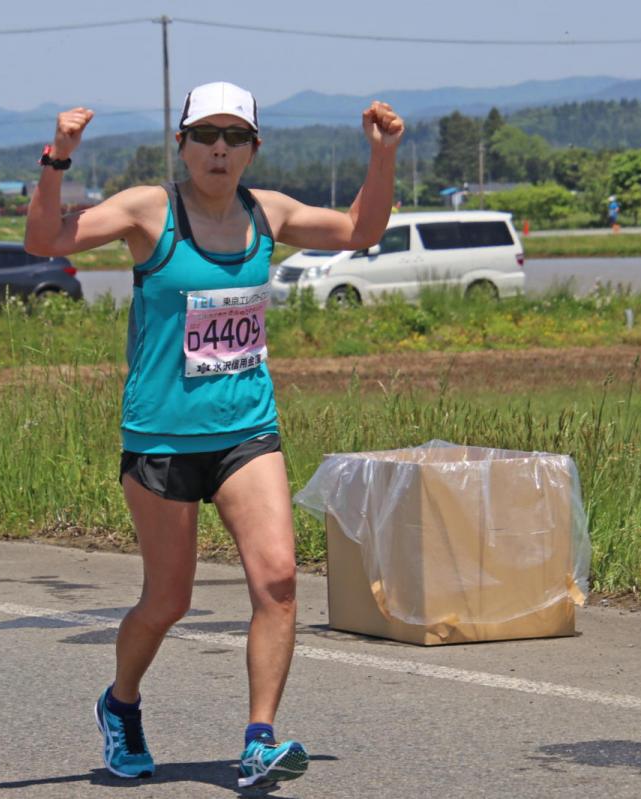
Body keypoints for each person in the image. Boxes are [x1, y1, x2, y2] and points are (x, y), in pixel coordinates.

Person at [24, 81, 404, 789]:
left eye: (234, 135)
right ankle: (121, 702)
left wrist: (382, 156)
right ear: (183, 146)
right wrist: (58, 160)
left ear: (253, 148)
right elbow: (45, 240)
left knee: (279, 581)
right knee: (168, 599)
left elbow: (361, 230)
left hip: (245, 431)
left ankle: (258, 739)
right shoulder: (151, 211)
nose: (219, 148)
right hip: (162, 436)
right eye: (205, 135)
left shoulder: (269, 213)